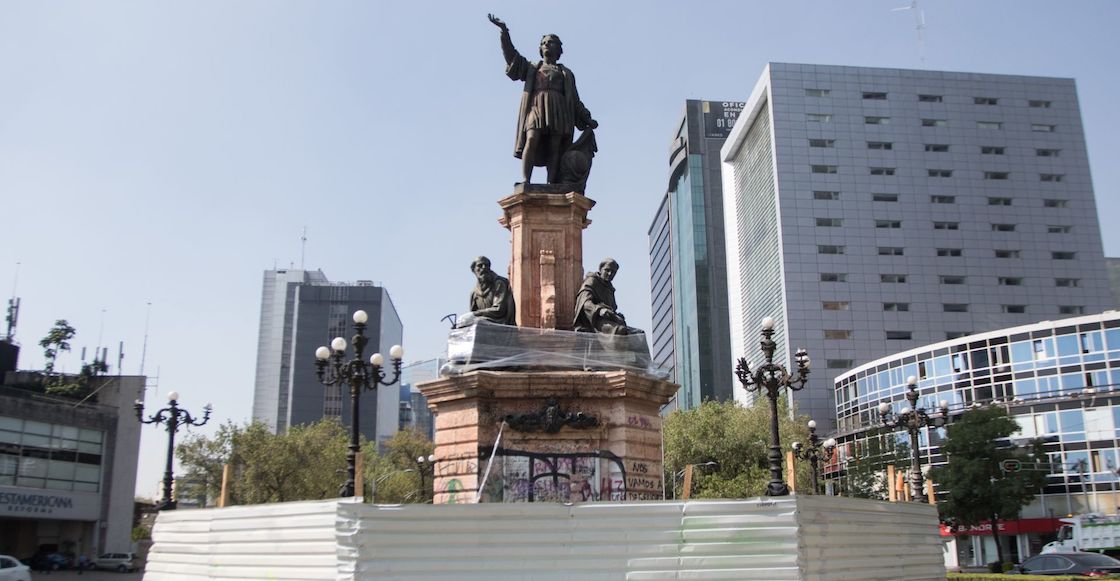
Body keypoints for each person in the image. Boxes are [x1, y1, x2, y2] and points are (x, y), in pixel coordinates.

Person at [489, 14, 598, 185]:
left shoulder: (566, 73)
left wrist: (586, 118)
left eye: (551, 42)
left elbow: (575, 100)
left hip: (558, 111)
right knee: (531, 138)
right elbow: (513, 58)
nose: (547, 44)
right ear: (540, 49)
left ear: (559, 50)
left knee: (555, 147)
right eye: (544, 42)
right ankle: (526, 180)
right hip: (537, 107)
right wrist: (504, 33)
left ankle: (551, 183)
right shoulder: (533, 67)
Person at [573, 258, 637, 335]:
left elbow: (612, 308)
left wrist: (617, 315)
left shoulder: (610, 288)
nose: (610, 274)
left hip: (609, 319)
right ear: (601, 269)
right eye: (607, 270)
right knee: (620, 330)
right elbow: (585, 303)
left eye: (613, 272)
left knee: (638, 334)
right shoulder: (592, 281)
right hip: (594, 320)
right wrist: (600, 310)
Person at [457, 256, 516, 327]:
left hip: (501, 324)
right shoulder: (474, 293)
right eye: (480, 265)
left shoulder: (499, 283)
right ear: (473, 269)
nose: (484, 267)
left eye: (487, 265)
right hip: (484, 327)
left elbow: (499, 310)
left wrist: (474, 314)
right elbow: (472, 317)